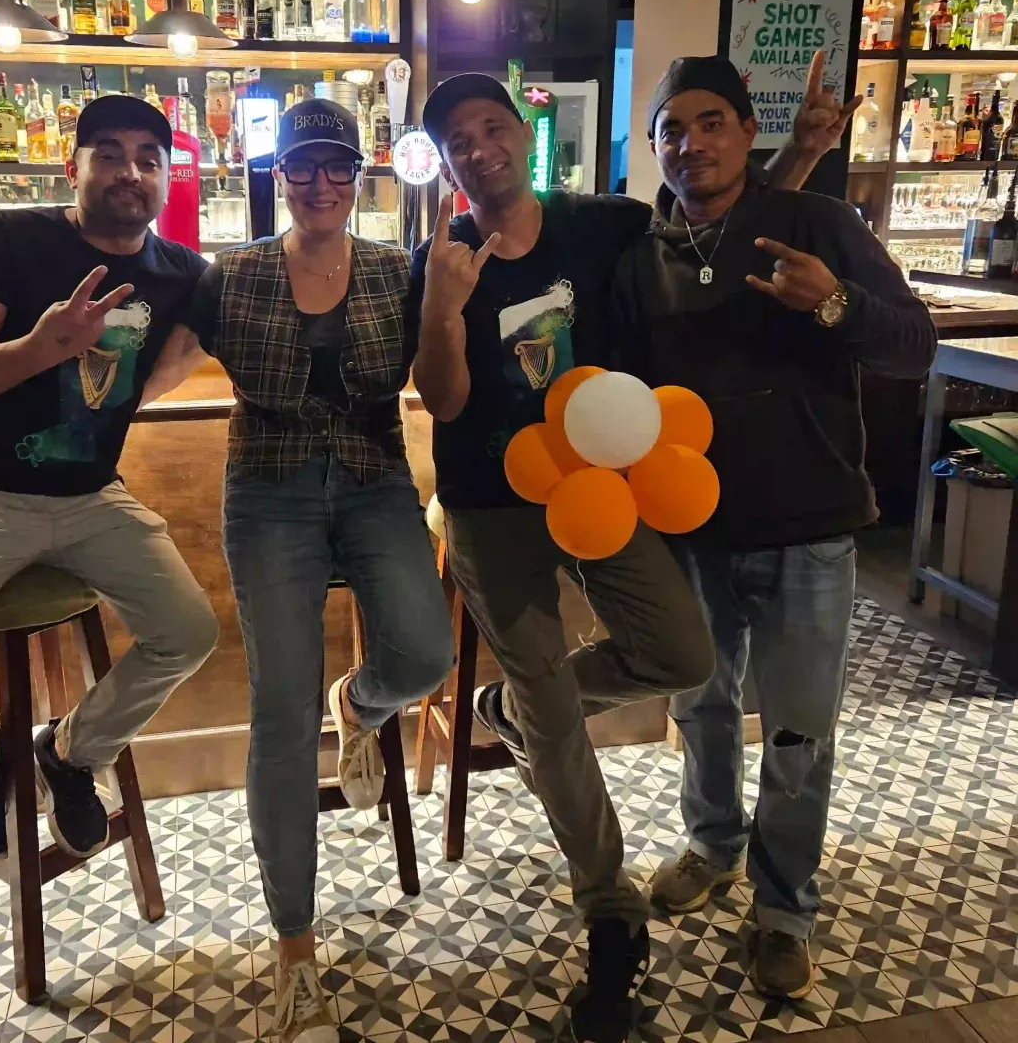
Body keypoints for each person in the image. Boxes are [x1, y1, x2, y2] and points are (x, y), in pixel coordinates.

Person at [410, 58, 856, 1042]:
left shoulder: (598, 221)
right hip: (490, 504)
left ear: (523, 134)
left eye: (492, 128)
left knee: (685, 657)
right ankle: (608, 908)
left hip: (603, 488)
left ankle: (514, 709)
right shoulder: (439, 252)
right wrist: (443, 306)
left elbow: (725, 220)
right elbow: (440, 401)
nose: (480, 150)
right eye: (458, 141)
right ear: (444, 162)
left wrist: (806, 152)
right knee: (555, 711)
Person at [614, 55, 936, 999]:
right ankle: (713, 844)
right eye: (672, 130)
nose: (691, 143)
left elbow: (913, 347)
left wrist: (831, 301)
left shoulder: (815, 224)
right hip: (691, 533)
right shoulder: (647, 257)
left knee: (799, 731)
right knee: (701, 707)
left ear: (747, 132)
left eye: (711, 123)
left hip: (808, 527)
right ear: (657, 149)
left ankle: (784, 906)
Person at [146, 99, 454, 1043]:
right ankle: (295, 951)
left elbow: (449, 364)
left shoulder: (398, 272)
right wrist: (87, 379)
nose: (320, 183)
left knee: (426, 654)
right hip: (270, 491)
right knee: (277, 715)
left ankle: (359, 704)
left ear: (360, 177)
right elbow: (153, 368)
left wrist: (447, 289)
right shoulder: (230, 276)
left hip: (372, 481)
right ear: (278, 177)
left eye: (338, 167)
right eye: (303, 167)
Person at [0, 94, 217, 865]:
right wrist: (40, 347)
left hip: (93, 498)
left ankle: (69, 753)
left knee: (188, 633)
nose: (130, 171)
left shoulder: (181, 273)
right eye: (109, 153)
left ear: (167, 177)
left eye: (148, 159)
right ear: (74, 166)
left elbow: (173, 360)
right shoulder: (7, 236)